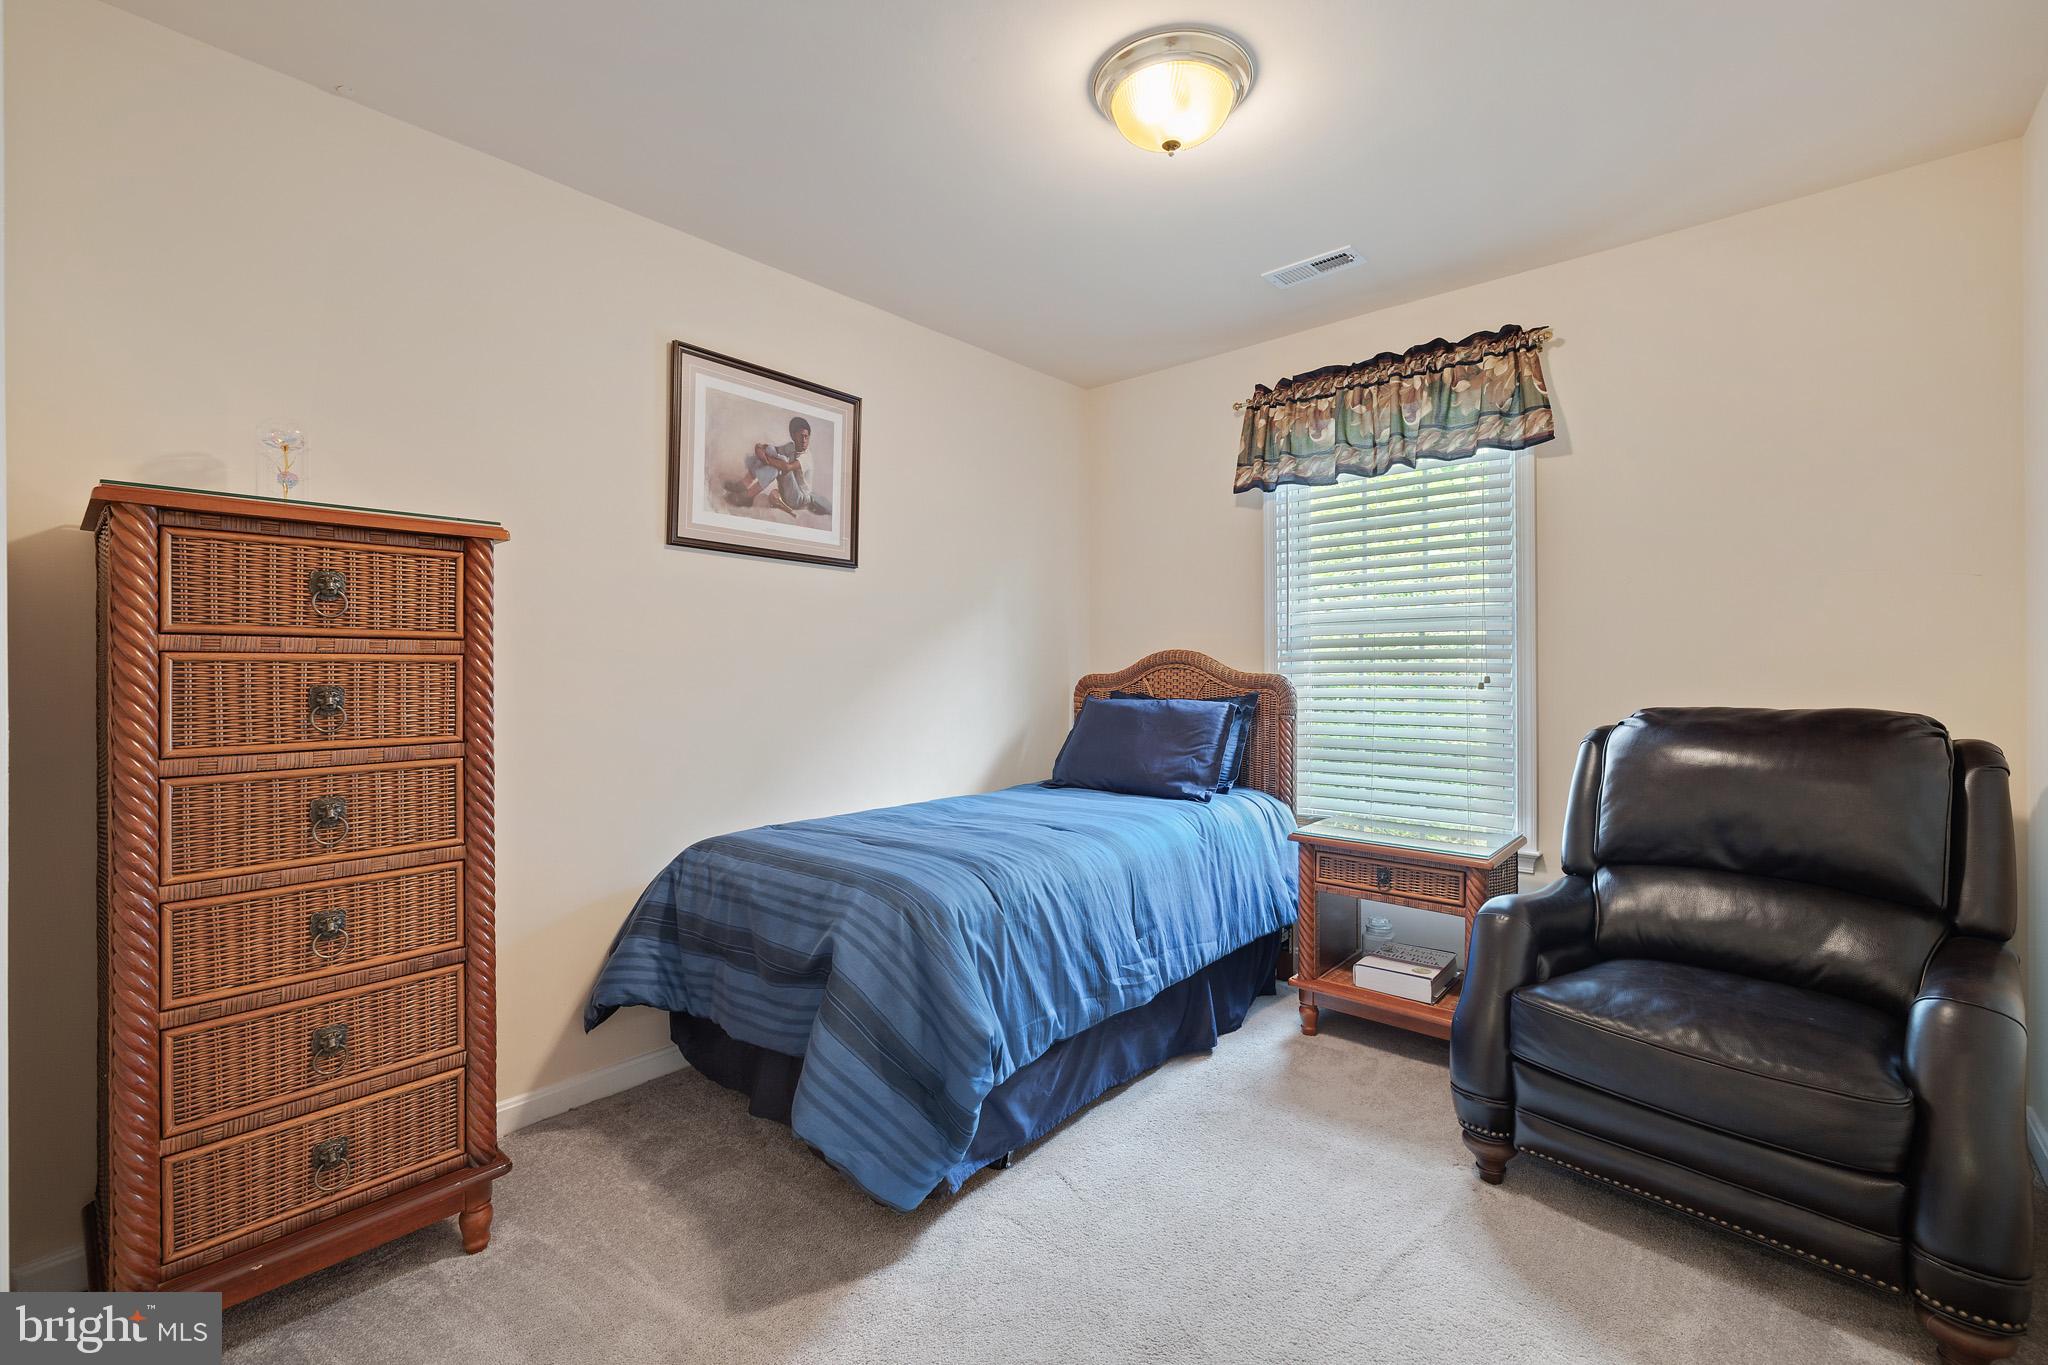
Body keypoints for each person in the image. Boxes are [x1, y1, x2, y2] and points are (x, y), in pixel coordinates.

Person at [723, 416, 830, 517]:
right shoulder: (791, 447)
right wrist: (760, 448)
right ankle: (744, 484)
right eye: (801, 436)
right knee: (771, 451)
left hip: (798, 499)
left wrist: (766, 459)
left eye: (806, 436)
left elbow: (787, 468)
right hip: (786, 492)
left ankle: (748, 496)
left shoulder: (806, 457)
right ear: (793, 436)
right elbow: (772, 450)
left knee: (782, 462)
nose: (804, 440)